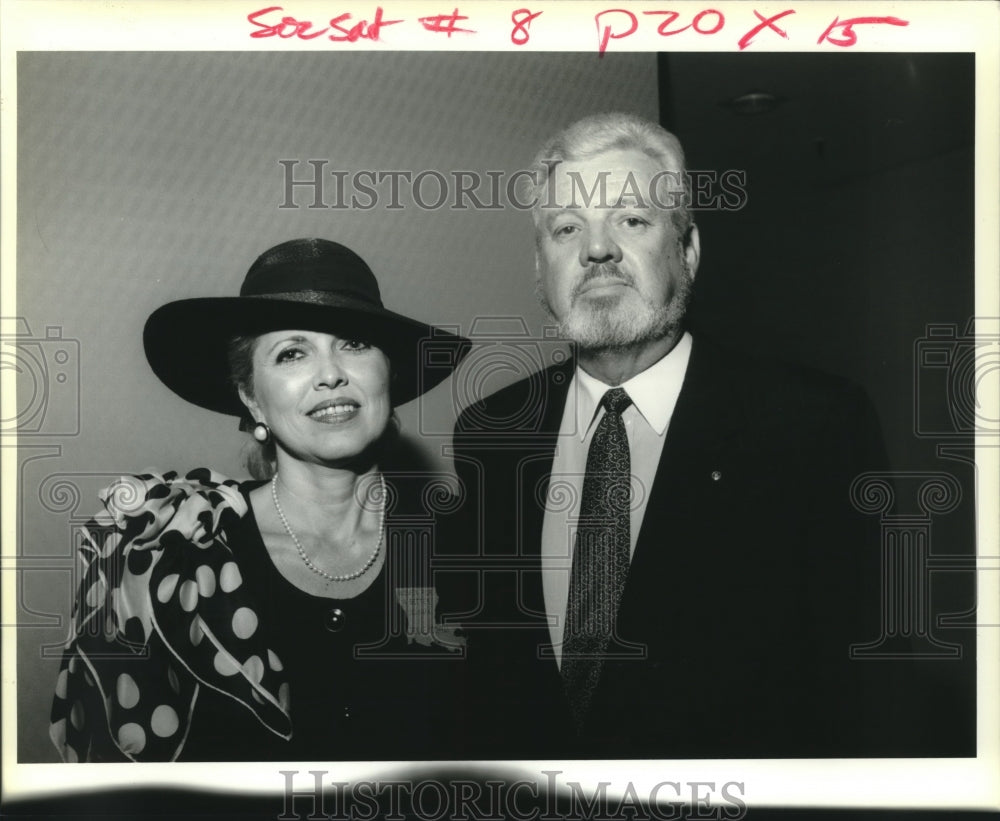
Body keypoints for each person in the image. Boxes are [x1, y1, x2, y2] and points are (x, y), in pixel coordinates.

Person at [451, 112, 941, 759]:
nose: (596, 250)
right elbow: (490, 686)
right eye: (566, 228)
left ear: (688, 252)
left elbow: (872, 699)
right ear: (540, 271)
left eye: (631, 220)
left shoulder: (813, 426)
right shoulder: (490, 433)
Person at [49, 238, 471, 762]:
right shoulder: (176, 551)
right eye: (292, 353)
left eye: (355, 344)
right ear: (251, 398)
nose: (330, 373)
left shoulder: (471, 545)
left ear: (389, 374)